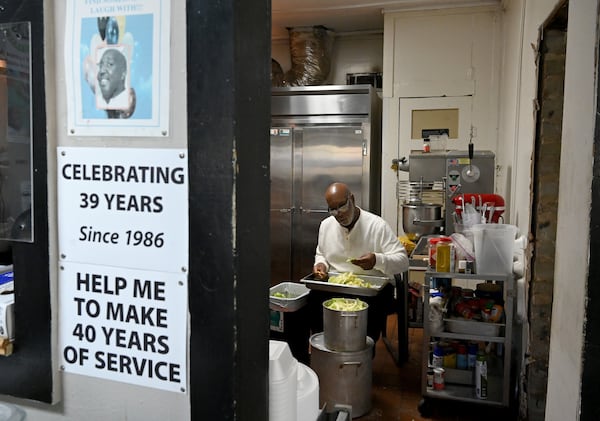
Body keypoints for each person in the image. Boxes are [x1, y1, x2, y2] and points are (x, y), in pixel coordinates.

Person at [309, 182, 409, 345]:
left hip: (370, 291)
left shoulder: (377, 226)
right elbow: (321, 253)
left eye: (341, 206)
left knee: (366, 319)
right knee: (313, 302)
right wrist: (321, 264)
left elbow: (403, 261)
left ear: (352, 199)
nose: (338, 214)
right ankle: (325, 349)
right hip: (336, 286)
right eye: (332, 209)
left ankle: (362, 355)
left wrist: (377, 260)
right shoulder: (326, 226)